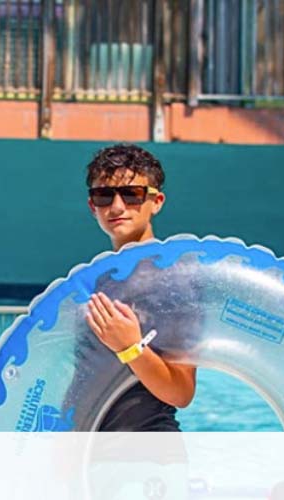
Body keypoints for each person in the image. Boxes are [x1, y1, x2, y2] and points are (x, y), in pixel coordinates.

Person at [82, 143, 197, 431]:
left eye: (131, 195)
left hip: (148, 454)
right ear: (92, 206)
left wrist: (130, 347)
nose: (117, 207)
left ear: (156, 202)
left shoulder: (174, 282)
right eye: (104, 195)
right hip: (92, 451)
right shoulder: (100, 281)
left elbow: (181, 392)